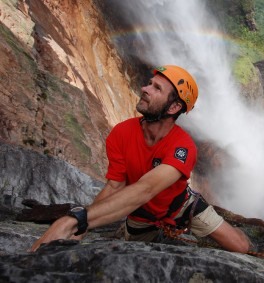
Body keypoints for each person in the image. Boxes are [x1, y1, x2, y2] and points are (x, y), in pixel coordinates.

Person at [30, 65, 250, 253]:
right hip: (141, 214)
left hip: (182, 207)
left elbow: (146, 188)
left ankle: (236, 229)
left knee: (240, 246)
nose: (144, 89)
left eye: (156, 88)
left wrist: (75, 219)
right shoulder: (121, 133)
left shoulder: (182, 146)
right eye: (149, 83)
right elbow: (115, 185)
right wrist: (81, 227)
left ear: (174, 107)